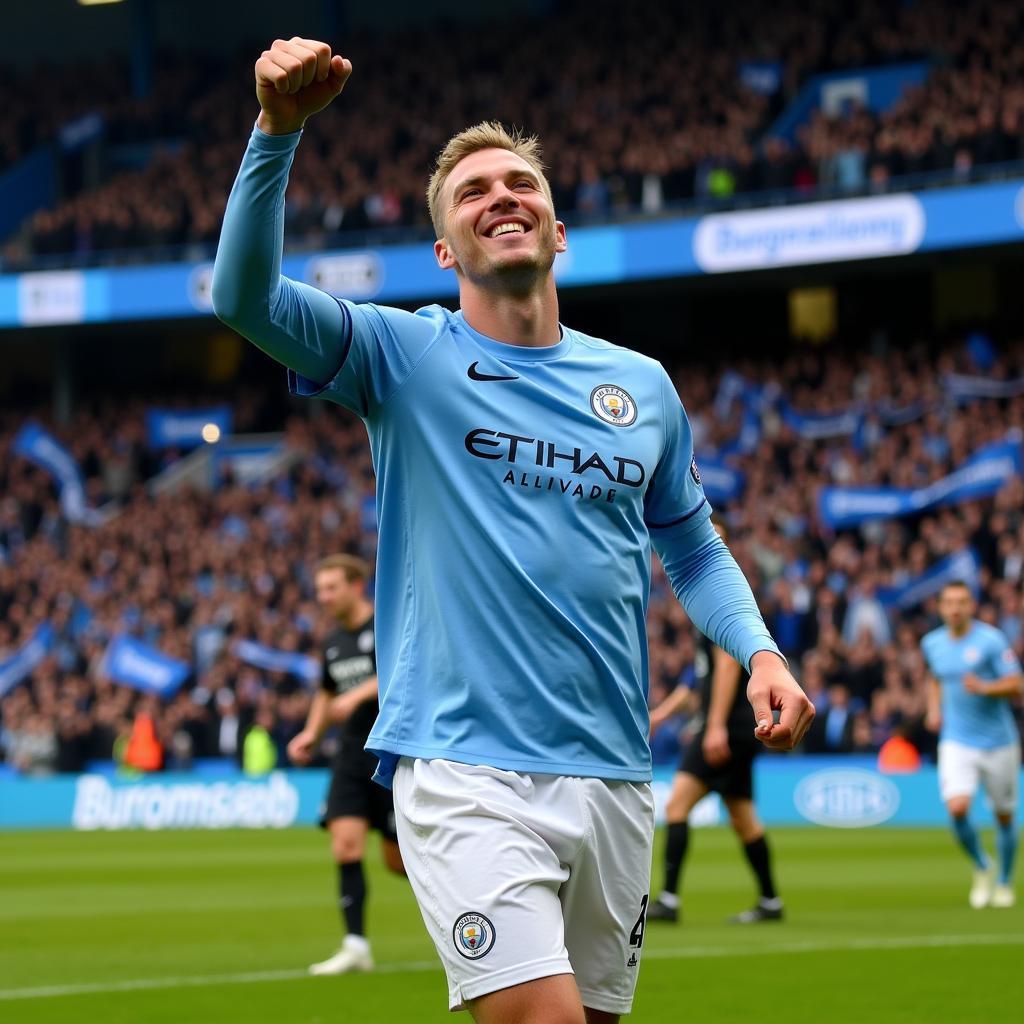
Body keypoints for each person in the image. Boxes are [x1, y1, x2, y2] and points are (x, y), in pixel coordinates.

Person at [213, 37, 814, 1024]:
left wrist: (758, 653)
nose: (500, 194)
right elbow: (243, 300)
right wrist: (277, 132)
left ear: (556, 227)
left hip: (616, 771)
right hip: (465, 767)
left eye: (519, 181)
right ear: (446, 248)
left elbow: (692, 545)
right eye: (473, 190)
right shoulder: (399, 354)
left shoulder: (642, 387)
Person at [647, 522, 784, 926]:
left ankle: (669, 899)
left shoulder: (719, 599)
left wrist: (715, 726)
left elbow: (726, 664)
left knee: (677, 805)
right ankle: (771, 901)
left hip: (729, 724)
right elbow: (698, 681)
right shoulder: (710, 602)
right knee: (743, 817)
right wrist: (661, 715)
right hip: (740, 726)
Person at [287, 554, 404, 974]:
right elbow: (325, 691)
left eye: (331, 587)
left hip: (392, 752)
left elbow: (399, 670)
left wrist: (357, 696)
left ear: (357, 586)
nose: (324, 597)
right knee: (345, 844)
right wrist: (310, 734)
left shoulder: (388, 623)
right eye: (320, 589)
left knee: (399, 861)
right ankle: (355, 945)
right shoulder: (333, 641)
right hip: (351, 753)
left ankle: (474, 902)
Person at [922, 580, 1022, 909]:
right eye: (949, 602)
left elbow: (1015, 684)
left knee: (1005, 817)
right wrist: (935, 709)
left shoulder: (991, 640)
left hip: (998, 742)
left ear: (971, 606)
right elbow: (936, 677)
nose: (955, 608)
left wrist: (983, 688)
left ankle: (1005, 881)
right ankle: (982, 864)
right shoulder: (932, 643)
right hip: (957, 741)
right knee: (957, 808)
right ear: (940, 607)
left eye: (961, 602)